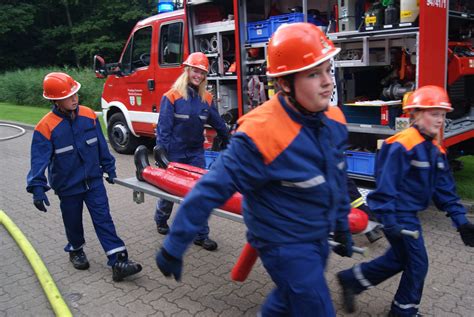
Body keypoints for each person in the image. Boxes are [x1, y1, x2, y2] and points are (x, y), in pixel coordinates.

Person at [151, 23, 354, 316]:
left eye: (327, 70)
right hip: (282, 243)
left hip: (315, 237)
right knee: (315, 307)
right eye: (313, 74)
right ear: (285, 83)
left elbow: (335, 176)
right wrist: (174, 244)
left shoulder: (334, 119)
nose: (327, 82)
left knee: (286, 302)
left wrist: (342, 224)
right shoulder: (261, 133)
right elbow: (210, 189)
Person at [337, 85, 474, 316]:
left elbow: (445, 191)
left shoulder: (436, 150)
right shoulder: (402, 144)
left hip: (407, 216)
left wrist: (462, 223)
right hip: (397, 215)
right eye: (434, 113)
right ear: (416, 114)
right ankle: (403, 311)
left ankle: (353, 280)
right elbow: (385, 188)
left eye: (442, 114)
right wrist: (390, 220)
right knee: (418, 263)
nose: (440, 119)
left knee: (400, 259)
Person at [26, 72, 142, 282]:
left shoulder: (89, 115)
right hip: (67, 186)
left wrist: (109, 167)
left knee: (103, 218)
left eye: (75, 93)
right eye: (68, 95)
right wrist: (37, 187)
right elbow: (38, 160)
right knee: (73, 221)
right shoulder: (46, 127)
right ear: (55, 99)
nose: (74, 98)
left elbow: (100, 144)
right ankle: (76, 249)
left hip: (93, 181)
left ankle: (117, 261)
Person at [153, 52, 229, 252]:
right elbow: (164, 128)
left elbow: (217, 122)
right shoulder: (171, 97)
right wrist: (161, 151)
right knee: (169, 193)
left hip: (196, 153)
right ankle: (161, 218)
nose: (199, 75)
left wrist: (229, 137)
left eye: (202, 72)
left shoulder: (206, 98)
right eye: (196, 70)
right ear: (187, 70)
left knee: (198, 194)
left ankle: (200, 235)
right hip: (175, 153)